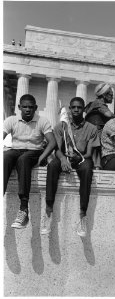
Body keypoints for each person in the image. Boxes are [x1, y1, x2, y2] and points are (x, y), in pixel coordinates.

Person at [40, 97, 100, 237]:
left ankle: (83, 215)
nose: (76, 110)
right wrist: (62, 159)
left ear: (84, 109)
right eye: (73, 107)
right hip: (64, 157)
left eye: (79, 107)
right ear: (70, 109)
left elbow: (89, 153)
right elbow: (56, 148)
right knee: (52, 166)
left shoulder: (91, 128)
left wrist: (79, 157)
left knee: (86, 169)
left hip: (82, 158)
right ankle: (48, 211)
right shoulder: (61, 126)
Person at [3, 94, 56, 229]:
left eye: (31, 107)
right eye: (25, 107)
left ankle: (24, 209)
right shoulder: (11, 120)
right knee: (6, 157)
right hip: (16, 149)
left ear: (35, 108)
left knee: (24, 159)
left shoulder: (42, 121)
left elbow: (52, 142)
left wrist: (42, 157)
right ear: (19, 107)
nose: (27, 110)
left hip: (34, 152)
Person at [84, 83, 115, 169]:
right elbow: (108, 114)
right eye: (110, 95)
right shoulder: (99, 103)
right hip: (96, 131)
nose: (112, 97)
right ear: (104, 95)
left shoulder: (93, 103)